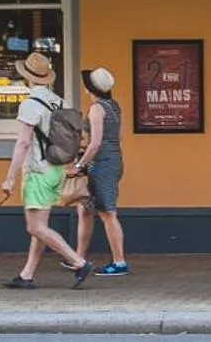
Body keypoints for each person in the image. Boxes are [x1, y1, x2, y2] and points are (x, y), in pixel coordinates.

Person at [0, 51, 91, 289]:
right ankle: (27, 275)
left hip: (38, 171)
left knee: (35, 227)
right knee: (41, 228)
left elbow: (23, 143)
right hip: (57, 170)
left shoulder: (30, 105)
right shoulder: (60, 102)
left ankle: (78, 262)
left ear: (28, 78)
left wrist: (9, 178)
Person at [73, 67, 128, 275]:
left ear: (90, 88)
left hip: (101, 163)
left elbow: (94, 144)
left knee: (107, 213)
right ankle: (78, 258)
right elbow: (119, 136)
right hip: (114, 159)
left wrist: (79, 165)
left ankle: (119, 262)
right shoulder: (115, 107)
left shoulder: (96, 109)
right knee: (85, 209)